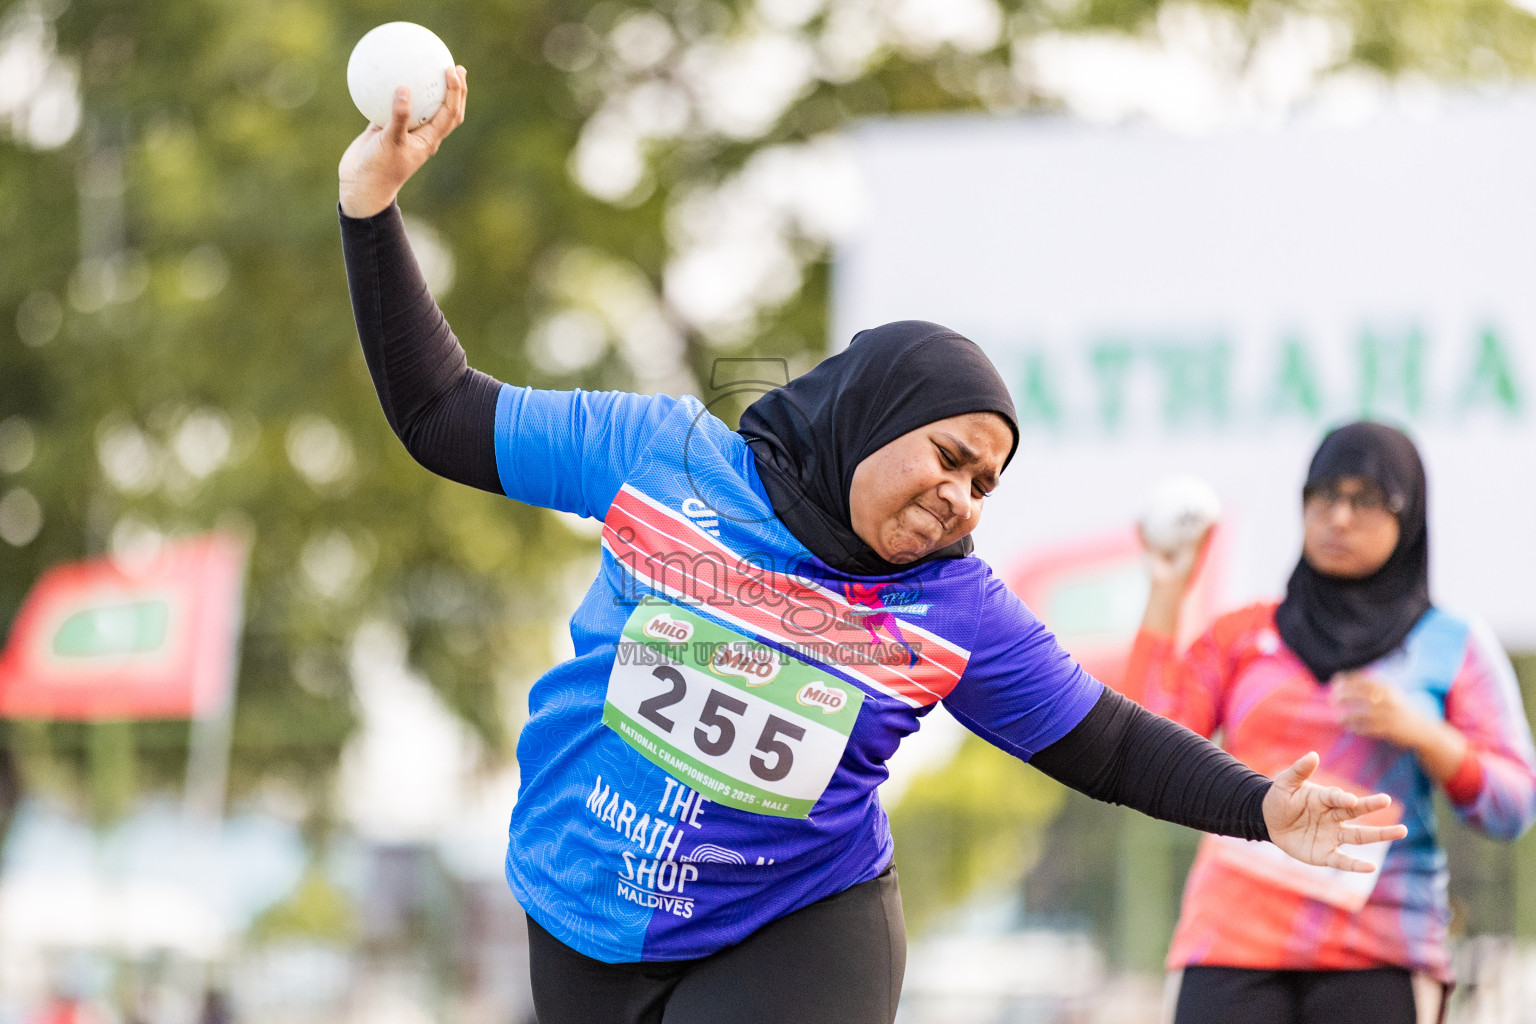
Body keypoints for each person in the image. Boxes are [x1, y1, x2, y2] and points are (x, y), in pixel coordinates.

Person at [336, 70, 1405, 1024]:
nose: (961, 497)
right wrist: (372, 205)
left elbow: (1110, 744)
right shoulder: (657, 457)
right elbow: (438, 412)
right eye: (948, 457)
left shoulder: (955, 607)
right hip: (581, 899)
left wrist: (1261, 804)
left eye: (986, 485)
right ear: (873, 415)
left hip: (799, 924)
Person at [1123, 422, 1536, 1024]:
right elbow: (1145, 752)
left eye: (1368, 499)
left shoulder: (1452, 644)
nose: (1339, 517)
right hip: (1230, 939)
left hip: (1380, 947)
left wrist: (1426, 734)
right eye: (1323, 496)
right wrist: (1167, 591)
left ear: (1410, 516)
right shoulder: (1243, 634)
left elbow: (1514, 807)